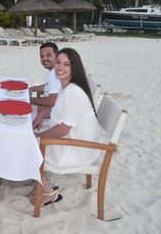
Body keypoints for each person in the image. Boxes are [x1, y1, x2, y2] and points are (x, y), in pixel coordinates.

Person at [30, 48, 100, 207]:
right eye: (58, 62)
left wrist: (39, 136)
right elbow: (57, 110)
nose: (60, 67)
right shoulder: (66, 86)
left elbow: (63, 130)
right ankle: (42, 183)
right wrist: (41, 115)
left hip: (78, 148)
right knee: (30, 137)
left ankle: (50, 193)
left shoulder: (72, 92)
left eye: (66, 64)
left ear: (74, 67)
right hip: (78, 140)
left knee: (27, 146)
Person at [29, 42, 60, 122]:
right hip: (45, 108)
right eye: (42, 56)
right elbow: (47, 86)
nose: (44, 59)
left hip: (48, 112)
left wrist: (30, 100)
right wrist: (32, 88)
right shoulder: (53, 69)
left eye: (48, 55)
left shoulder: (56, 74)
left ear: (57, 56)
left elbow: (51, 101)